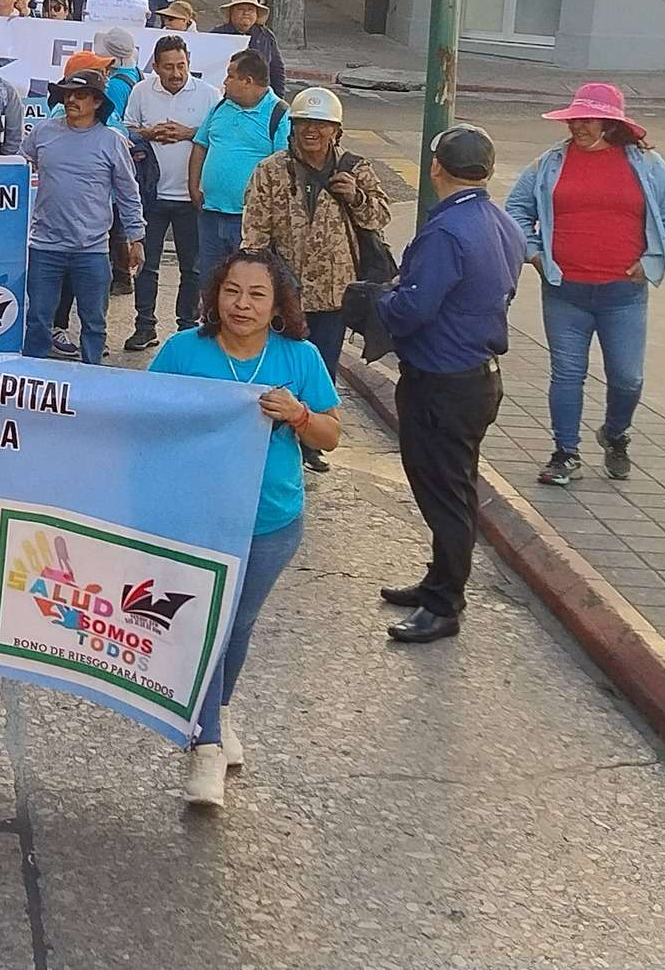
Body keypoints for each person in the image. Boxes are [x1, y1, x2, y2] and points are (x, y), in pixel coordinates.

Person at [149, 249, 340, 809]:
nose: (242, 304)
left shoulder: (300, 358)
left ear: (278, 304)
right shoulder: (184, 351)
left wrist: (300, 415)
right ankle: (205, 744)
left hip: (271, 522)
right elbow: (142, 418)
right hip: (194, 521)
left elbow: (330, 435)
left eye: (258, 295)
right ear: (215, 294)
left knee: (236, 625)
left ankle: (219, 711)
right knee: (203, 626)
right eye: (233, 291)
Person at [359, 125, 527, 645]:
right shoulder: (501, 223)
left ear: (436, 168)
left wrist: (377, 300)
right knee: (451, 483)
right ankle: (438, 579)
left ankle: (445, 603)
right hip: (475, 376)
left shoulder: (445, 231)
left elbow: (413, 307)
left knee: (445, 492)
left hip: (441, 380)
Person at [504, 84, 665, 486]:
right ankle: (565, 453)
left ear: (610, 122)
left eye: (588, 119)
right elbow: (516, 208)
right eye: (575, 118)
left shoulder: (647, 165)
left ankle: (616, 433)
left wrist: (654, 260)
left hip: (624, 295)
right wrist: (534, 253)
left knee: (627, 377)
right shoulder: (549, 163)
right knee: (567, 373)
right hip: (565, 290)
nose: (578, 126)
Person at [240, 87, 390, 474]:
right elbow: (254, 230)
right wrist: (258, 281)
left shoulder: (355, 169)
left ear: (335, 131)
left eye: (321, 125)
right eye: (304, 123)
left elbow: (379, 218)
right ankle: (272, 433)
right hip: (283, 292)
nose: (311, 131)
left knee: (321, 366)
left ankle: (312, 439)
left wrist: (356, 197)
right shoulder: (271, 170)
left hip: (335, 293)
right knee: (277, 362)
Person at [20, 68, 143, 363]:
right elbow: (18, 168)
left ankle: (93, 383)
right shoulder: (42, 132)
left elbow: (128, 192)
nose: (72, 99)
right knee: (37, 321)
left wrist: (137, 237)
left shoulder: (111, 141)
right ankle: (30, 381)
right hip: (44, 247)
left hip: (92, 249)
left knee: (94, 325)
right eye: (68, 93)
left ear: (98, 102)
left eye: (81, 94)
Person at [123, 35, 219, 352]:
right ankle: (144, 326)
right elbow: (126, 132)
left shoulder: (208, 95)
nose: (176, 73)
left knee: (191, 267)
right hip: (151, 197)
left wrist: (189, 133)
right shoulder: (140, 91)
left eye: (181, 66)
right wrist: (149, 133)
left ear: (188, 61)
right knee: (145, 265)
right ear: (156, 67)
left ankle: (186, 330)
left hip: (192, 197)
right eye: (168, 68)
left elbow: (218, 135)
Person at [188, 50, 286, 285]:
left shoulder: (279, 115)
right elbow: (201, 145)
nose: (225, 82)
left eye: (230, 77)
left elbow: (284, 168)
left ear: (248, 81)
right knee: (210, 285)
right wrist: (193, 187)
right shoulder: (221, 107)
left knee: (245, 285)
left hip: (250, 222)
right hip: (211, 215)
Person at [214, 0, 286, 97]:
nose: (246, 13)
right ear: (231, 13)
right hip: (226, 95)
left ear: (256, 15)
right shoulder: (218, 34)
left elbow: (276, 69)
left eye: (250, 10)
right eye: (240, 9)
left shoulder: (266, 36)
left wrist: (279, 97)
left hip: (259, 97)